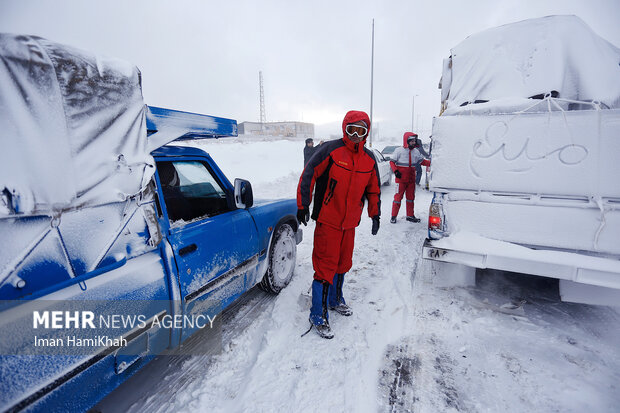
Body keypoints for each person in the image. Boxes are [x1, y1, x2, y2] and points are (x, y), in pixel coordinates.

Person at [297, 110, 381, 339]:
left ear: (366, 133)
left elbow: (373, 189)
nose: (355, 135)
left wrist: (376, 214)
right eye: (351, 129)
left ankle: (335, 300)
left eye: (360, 131)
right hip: (328, 220)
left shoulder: (368, 158)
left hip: (350, 223)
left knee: (343, 264)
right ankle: (317, 314)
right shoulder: (331, 150)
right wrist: (303, 205)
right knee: (325, 267)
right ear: (345, 129)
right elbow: (309, 174)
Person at [389, 132, 430, 223]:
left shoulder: (416, 152)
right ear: (407, 141)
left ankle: (410, 216)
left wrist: (433, 163)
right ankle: (393, 216)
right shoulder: (399, 151)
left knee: (410, 198)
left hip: (411, 180)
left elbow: (422, 161)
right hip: (400, 180)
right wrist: (396, 171)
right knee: (397, 198)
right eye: (412, 141)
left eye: (414, 141)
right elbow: (391, 162)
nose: (413, 142)